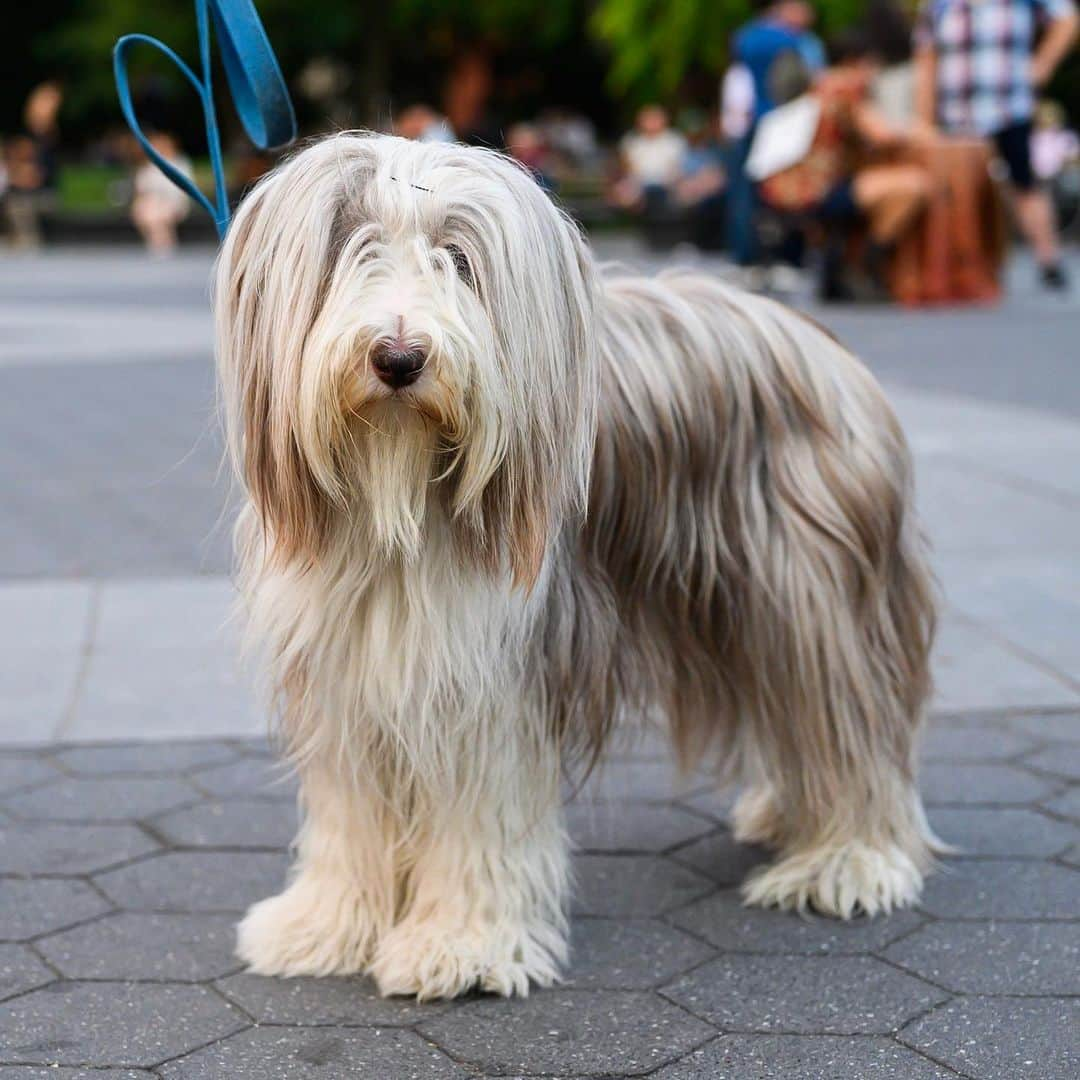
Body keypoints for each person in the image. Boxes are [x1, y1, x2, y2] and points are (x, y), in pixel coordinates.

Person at [914, 0, 1080, 290]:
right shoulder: (939, 5)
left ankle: (1048, 260)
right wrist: (925, 120)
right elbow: (927, 58)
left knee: (1024, 183)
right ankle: (962, 262)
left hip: (1008, 106)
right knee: (958, 193)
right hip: (957, 111)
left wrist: (1043, 65)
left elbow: (1067, 20)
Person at [758, 30, 933, 300]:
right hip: (816, 191)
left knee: (881, 184)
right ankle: (865, 262)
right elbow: (881, 134)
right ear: (856, 62)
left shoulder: (819, 86)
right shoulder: (845, 88)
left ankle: (851, 264)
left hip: (783, 190)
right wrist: (923, 131)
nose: (874, 72)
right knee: (914, 185)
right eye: (872, 65)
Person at [728, 2, 826, 265]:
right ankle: (785, 256)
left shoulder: (746, 37)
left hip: (753, 121)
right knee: (781, 194)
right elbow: (810, 81)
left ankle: (746, 254)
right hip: (785, 123)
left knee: (746, 194)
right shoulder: (793, 40)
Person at [610, 105, 687, 214]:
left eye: (655, 118)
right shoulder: (631, 140)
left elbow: (677, 167)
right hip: (638, 184)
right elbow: (627, 166)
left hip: (668, 183)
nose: (651, 122)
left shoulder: (675, 139)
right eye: (648, 119)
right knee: (624, 192)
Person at [130, 132, 192, 256]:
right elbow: (142, 187)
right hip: (153, 203)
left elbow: (180, 190)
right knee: (147, 209)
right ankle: (161, 244)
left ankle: (162, 245)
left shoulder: (179, 163)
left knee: (156, 213)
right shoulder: (150, 165)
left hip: (174, 202)